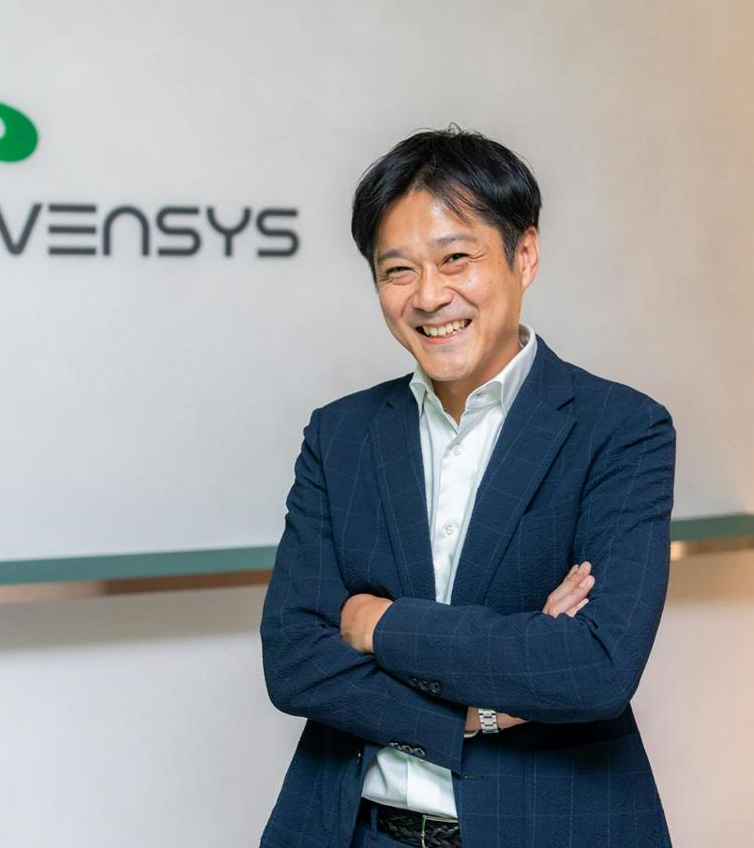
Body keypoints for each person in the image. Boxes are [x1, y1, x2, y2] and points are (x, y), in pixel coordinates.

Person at [258, 126, 676, 848]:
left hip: (552, 830)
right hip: (355, 831)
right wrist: (473, 715)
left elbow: (595, 666)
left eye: (456, 258)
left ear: (524, 255)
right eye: (398, 270)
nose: (429, 296)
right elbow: (293, 659)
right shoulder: (341, 435)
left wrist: (377, 625)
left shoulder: (620, 429)